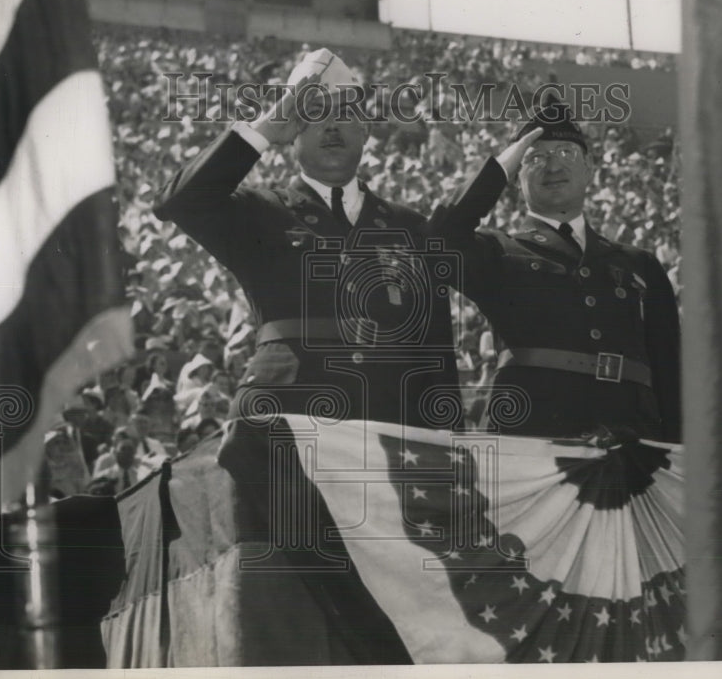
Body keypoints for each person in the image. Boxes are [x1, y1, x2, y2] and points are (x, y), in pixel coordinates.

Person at [154, 48, 459, 428]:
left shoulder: (410, 226)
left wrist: (449, 452)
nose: (331, 126)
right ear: (292, 132)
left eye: (345, 114)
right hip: (283, 418)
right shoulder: (259, 211)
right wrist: (265, 126)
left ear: (365, 130)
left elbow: (435, 352)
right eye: (314, 114)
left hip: (392, 424)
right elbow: (178, 201)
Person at [430, 99, 681, 443]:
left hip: (631, 448)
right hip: (531, 448)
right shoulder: (498, 252)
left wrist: (673, 460)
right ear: (517, 178)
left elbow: (670, 375)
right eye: (535, 157)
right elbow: (436, 242)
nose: (553, 166)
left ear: (590, 167)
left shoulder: (640, 265)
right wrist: (501, 166)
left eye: (567, 152)